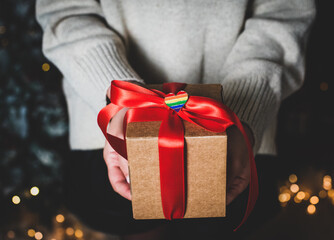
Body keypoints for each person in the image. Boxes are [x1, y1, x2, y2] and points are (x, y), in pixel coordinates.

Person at [36, 0, 316, 239]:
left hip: (236, 137)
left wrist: (244, 109)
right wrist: (121, 99)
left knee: (222, 225)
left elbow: (284, 11)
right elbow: (65, 11)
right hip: (114, 134)